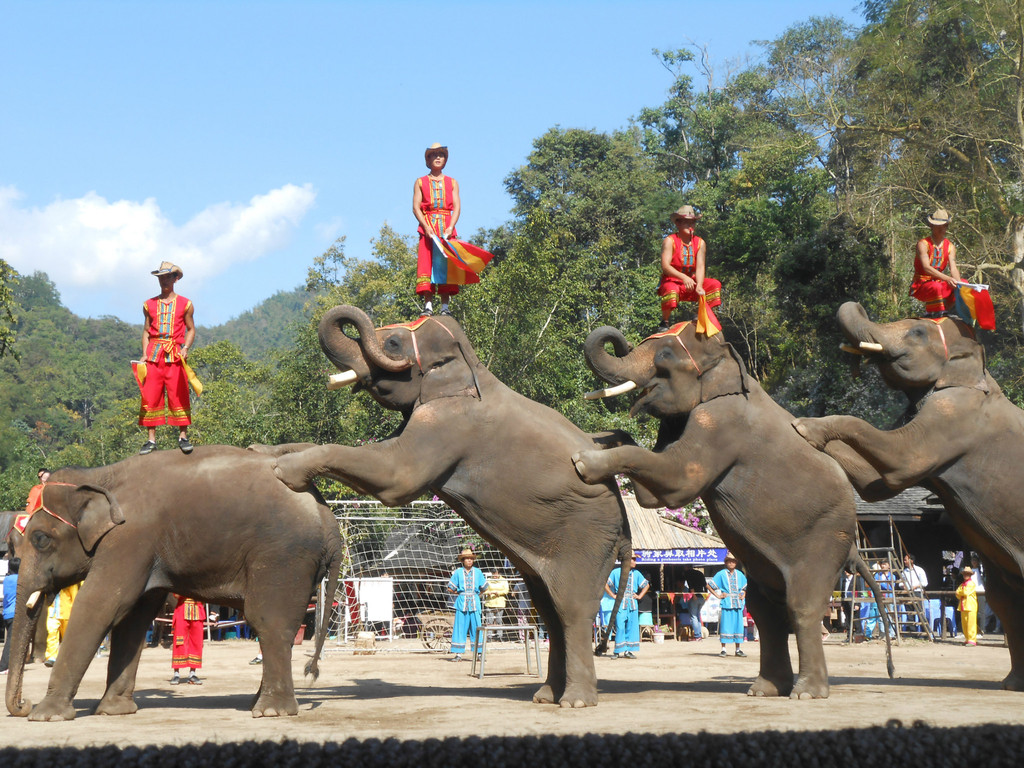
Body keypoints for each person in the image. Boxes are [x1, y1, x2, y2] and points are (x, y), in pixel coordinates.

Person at [138, 261, 196, 455]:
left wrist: (185, 347)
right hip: (154, 354)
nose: (163, 280)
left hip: (174, 354)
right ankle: (151, 439)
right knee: (151, 394)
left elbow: (191, 329)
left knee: (178, 392)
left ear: (175, 279)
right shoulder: (149, 304)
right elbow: (146, 331)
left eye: (167, 277)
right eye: (160, 277)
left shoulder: (185, 304)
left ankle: (183, 436)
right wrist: (145, 353)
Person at [413, 143, 461, 317]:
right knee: (427, 264)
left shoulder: (452, 182)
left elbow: (457, 207)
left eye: (441, 154)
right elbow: (416, 207)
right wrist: (425, 227)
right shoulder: (420, 182)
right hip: (429, 226)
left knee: (445, 265)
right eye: (434, 155)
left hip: (446, 227)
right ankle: (428, 306)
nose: (438, 157)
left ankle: (445, 307)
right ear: (428, 159)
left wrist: (450, 227)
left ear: (445, 159)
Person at [657, 205, 722, 331]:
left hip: (692, 282)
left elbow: (700, 266)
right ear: (678, 224)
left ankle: (701, 315)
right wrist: (683, 278)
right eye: (686, 223)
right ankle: (664, 322)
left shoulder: (700, 243)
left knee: (714, 285)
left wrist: (699, 285)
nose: (690, 226)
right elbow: (665, 266)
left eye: (692, 223)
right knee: (671, 289)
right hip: (672, 281)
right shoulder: (670, 241)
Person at [909, 208, 961, 316]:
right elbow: (926, 268)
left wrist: (958, 283)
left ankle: (946, 309)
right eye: (939, 226)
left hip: (939, 284)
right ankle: (936, 312)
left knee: (964, 284)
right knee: (936, 287)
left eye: (945, 226)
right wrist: (947, 278)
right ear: (932, 226)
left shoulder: (950, 247)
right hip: (922, 285)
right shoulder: (923, 244)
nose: (943, 229)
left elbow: (953, 268)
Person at [604, 555, 649, 659]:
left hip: (633, 603)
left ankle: (628, 651)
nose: (635, 562)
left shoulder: (636, 574)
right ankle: (617, 651)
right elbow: (605, 584)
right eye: (633, 559)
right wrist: (613, 595)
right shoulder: (616, 572)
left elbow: (646, 585)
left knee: (631, 627)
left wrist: (639, 596)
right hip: (620, 602)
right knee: (620, 626)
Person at [446, 548, 486, 662]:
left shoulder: (478, 572)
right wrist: (459, 592)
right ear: (463, 560)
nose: (469, 561)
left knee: (477, 627)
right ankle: (458, 654)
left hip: (474, 602)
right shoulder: (458, 572)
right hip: (462, 602)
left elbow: (484, 587)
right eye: (466, 559)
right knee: (459, 628)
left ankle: (479, 653)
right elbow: (450, 587)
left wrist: (476, 595)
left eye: (471, 559)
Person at [708, 552, 747, 657]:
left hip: (738, 604)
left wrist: (743, 595)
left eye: (733, 561)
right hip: (726, 603)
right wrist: (718, 595)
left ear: (736, 563)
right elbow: (709, 585)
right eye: (729, 561)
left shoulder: (740, 574)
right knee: (725, 626)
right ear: (726, 563)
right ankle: (723, 649)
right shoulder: (721, 574)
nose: (731, 563)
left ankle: (738, 649)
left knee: (738, 626)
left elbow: (745, 587)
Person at [170, 595, 206, 685]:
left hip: (197, 608)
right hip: (183, 608)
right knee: (179, 641)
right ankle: (176, 674)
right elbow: (176, 594)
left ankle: (192, 673)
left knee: (196, 642)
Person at [45, 582, 80, 666]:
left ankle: (69, 656)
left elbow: (75, 597)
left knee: (68, 637)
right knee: (51, 632)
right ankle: (51, 657)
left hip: (66, 613)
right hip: (53, 612)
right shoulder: (51, 582)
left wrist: (75, 613)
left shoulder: (72, 582)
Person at [0, 558, 18, 674]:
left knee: (11, 640)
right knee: (11, 641)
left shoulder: (7, 579)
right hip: (14, 613)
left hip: (6, 613)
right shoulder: (19, 579)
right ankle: (3, 666)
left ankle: (9, 665)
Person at [482, 569, 510, 639]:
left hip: (500, 603)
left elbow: (506, 590)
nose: (494, 575)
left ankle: (499, 635)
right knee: (489, 620)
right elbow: (484, 590)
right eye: (493, 573)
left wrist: (499, 593)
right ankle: (489, 636)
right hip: (490, 602)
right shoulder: (488, 580)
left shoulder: (504, 580)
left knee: (499, 620)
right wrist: (488, 593)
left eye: (496, 573)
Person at [682, 566, 708, 641]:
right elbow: (705, 585)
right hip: (702, 597)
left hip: (695, 597)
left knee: (693, 616)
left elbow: (691, 585)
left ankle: (697, 635)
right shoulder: (699, 573)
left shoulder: (688, 574)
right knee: (697, 615)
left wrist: (693, 595)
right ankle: (699, 634)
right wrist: (706, 595)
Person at [956, 566, 978, 646]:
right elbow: (957, 594)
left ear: (970, 575)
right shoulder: (962, 584)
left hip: (971, 606)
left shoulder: (971, 584)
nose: (966, 575)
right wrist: (961, 592)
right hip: (963, 606)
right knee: (964, 623)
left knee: (971, 623)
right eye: (965, 574)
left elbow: (965, 592)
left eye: (967, 574)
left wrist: (961, 592)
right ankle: (967, 639)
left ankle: (972, 640)